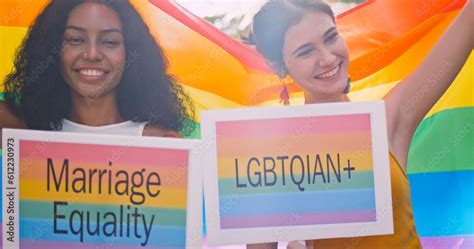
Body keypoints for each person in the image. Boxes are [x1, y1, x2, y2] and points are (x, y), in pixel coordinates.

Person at [250, 0, 473, 248]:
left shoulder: (386, 121)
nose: (326, 58)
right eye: (305, 52)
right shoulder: (271, 161)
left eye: (330, 37)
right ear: (280, 67)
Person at [0, 0, 195, 145]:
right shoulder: (20, 130)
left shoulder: (163, 143)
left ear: (131, 53)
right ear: (52, 48)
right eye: (75, 39)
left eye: (109, 42)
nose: (92, 54)